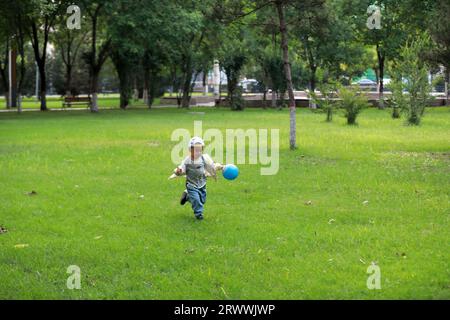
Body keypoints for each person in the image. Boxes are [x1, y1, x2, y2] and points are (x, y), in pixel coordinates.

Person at [173, 137, 223, 220]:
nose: (198, 152)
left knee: (202, 200)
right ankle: (198, 214)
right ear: (190, 150)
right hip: (191, 184)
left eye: (200, 150)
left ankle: (187, 197)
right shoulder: (187, 160)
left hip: (202, 183)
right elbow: (182, 169)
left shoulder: (203, 158)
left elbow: (211, 166)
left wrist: (221, 167)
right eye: (196, 150)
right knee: (196, 200)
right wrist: (178, 171)